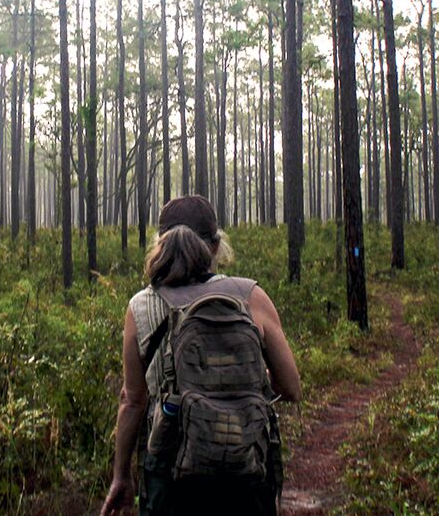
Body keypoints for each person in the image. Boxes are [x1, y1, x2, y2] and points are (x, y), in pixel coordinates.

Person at [101, 195, 302, 516]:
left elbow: (132, 400)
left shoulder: (140, 305)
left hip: (170, 471)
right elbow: (291, 387)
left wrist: (121, 476)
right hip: (245, 465)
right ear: (216, 245)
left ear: (160, 244)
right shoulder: (250, 295)